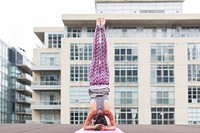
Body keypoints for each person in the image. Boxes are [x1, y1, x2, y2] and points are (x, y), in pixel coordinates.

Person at [83, 18, 116, 131]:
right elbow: (86, 127)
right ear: (95, 119)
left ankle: (102, 27)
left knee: (103, 54)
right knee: (96, 53)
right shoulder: (92, 112)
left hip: (104, 80)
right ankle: (98, 26)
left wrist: (106, 129)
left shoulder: (108, 112)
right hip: (94, 81)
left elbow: (114, 126)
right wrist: (94, 127)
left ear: (105, 120)